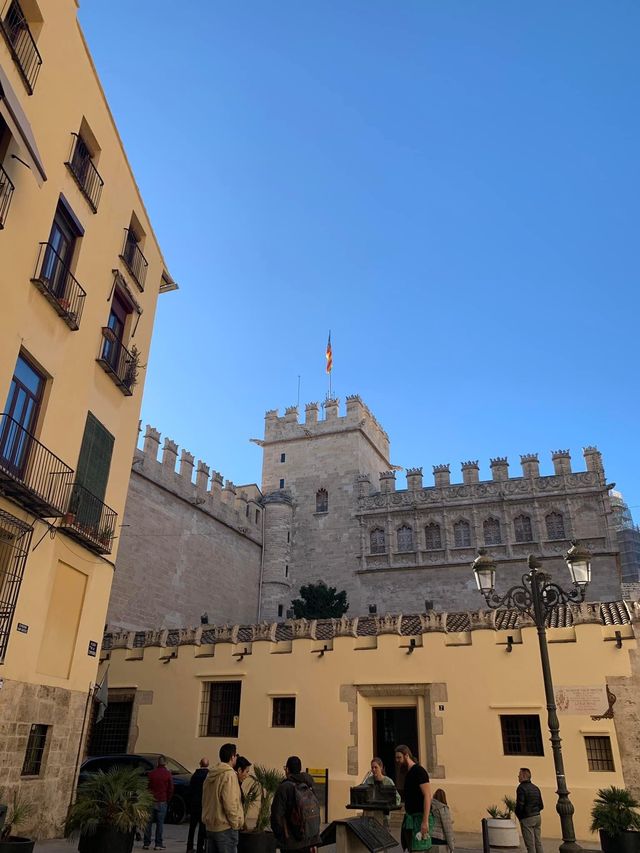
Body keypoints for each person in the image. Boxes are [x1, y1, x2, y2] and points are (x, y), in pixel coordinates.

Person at [271, 755, 320, 853]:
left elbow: (276, 814)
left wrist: (280, 835)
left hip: (291, 842)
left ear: (287, 769)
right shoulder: (308, 785)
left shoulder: (284, 788)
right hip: (308, 839)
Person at [202, 743, 244, 853]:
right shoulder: (229, 775)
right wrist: (235, 823)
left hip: (211, 826)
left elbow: (205, 798)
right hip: (225, 827)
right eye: (235, 756)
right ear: (232, 757)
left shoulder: (210, 774)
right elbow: (230, 803)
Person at [395, 744, 432, 852]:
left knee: (419, 850)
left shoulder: (419, 771)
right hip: (410, 817)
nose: (397, 760)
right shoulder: (408, 773)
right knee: (411, 849)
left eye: (399, 757)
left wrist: (425, 821)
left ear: (406, 755)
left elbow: (427, 796)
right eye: (396, 758)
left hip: (419, 818)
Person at [143, 755, 174, 851]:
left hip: (151, 800)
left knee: (148, 823)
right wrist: (168, 799)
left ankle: (146, 843)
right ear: (165, 763)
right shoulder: (168, 774)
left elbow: (147, 787)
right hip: (162, 800)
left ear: (157, 763)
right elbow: (171, 788)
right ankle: (158, 844)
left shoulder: (151, 774)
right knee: (160, 824)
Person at [515, 768, 544, 853]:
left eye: (519, 774)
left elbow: (520, 804)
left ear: (524, 776)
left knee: (530, 845)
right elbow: (541, 805)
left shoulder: (521, 788)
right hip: (537, 816)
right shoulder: (535, 788)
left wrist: (519, 816)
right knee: (538, 842)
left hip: (527, 817)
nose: (518, 776)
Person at [187, 758, 210, 853]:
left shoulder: (194, 776)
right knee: (202, 828)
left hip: (194, 804)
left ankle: (189, 847)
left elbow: (190, 790)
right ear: (208, 765)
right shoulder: (208, 776)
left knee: (192, 827)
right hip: (203, 805)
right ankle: (200, 848)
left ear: (200, 764)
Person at [430, 789, 455, 853]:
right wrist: (451, 846)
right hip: (441, 840)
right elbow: (447, 829)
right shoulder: (443, 808)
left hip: (430, 839)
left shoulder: (429, 806)